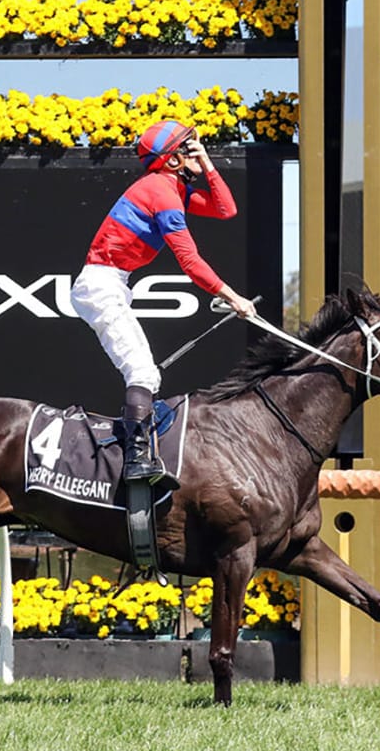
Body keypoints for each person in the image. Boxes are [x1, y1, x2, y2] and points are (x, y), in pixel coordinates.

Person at [70, 119, 256, 490]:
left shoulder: (169, 187)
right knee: (142, 373)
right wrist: (233, 298)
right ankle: (136, 463)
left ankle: (141, 453)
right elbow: (190, 262)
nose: (196, 150)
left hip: (112, 283)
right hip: (101, 284)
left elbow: (225, 210)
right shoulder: (163, 194)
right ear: (171, 160)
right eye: (189, 147)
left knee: (147, 374)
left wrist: (208, 164)